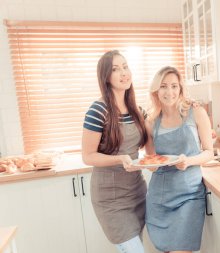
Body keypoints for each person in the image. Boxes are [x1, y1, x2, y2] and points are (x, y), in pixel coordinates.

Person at [81, 50, 148, 253]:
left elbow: (153, 141)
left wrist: (186, 107)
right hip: (111, 199)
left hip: (137, 192)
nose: (123, 73)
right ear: (106, 77)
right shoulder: (98, 110)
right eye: (115, 69)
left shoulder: (138, 110)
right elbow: (88, 156)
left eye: (125, 66)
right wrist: (119, 159)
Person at [144, 66, 214, 253]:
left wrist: (189, 161)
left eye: (174, 86)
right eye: (164, 86)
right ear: (156, 90)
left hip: (188, 196)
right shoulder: (151, 122)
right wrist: (142, 163)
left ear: (180, 89)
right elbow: (151, 163)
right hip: (159, 198)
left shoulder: (196, 112)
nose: (170, 92)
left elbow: (209, 152)